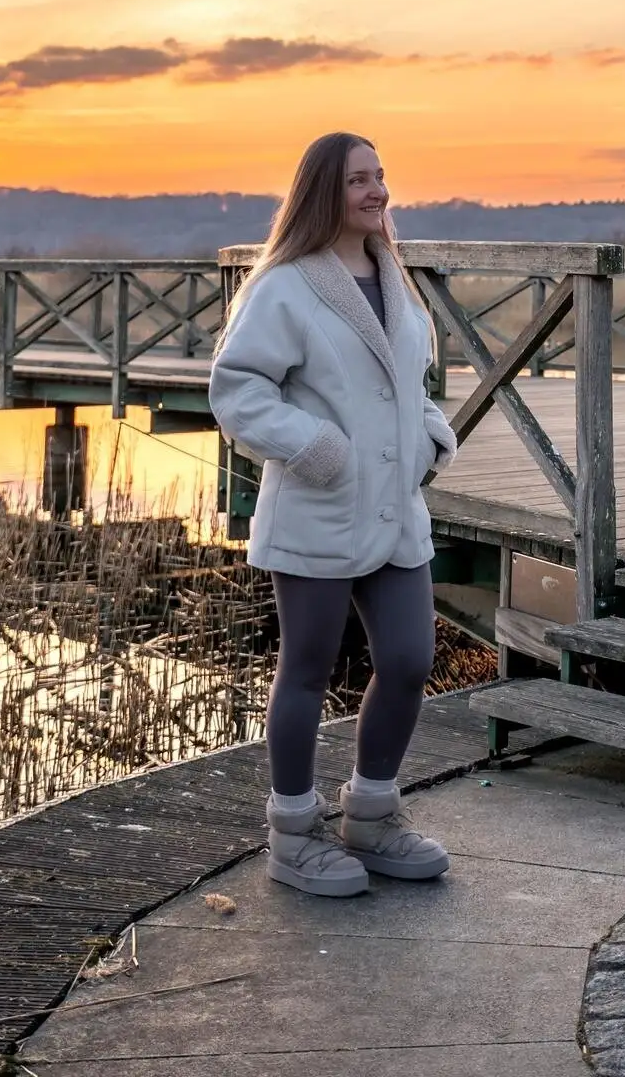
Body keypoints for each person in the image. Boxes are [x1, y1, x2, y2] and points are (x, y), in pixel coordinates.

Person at [210, 130, 459, 895]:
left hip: (395, 509)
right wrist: (318, 448)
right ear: (324, 190)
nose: (376, 190)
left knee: (411, 660)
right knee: (308, 670)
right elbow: (238, 389)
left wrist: (428, 435)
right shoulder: (285, 285)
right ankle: (293, 835)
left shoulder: (394, 275)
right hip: (319, 505)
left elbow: (411, 383)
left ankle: (372, 816)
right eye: (358, 179)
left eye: (381, 175)